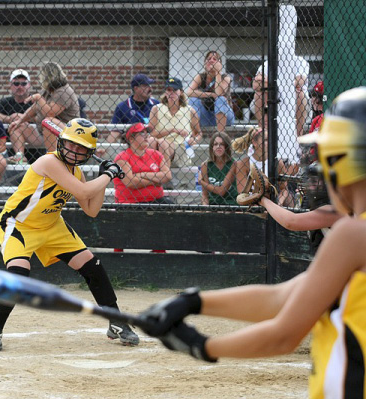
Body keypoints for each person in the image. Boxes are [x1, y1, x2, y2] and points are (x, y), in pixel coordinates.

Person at [139, 86, 366, 399]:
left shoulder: (353, 235)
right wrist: (194, 303)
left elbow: (284, 334)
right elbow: (282, 297)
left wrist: (202, 346)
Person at [0, 118, 139, 351]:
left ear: (89, 152)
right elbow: (84, 191)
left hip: (52, 225)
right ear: (61, 142)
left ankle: (116, 322)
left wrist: (103, 177)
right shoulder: (49, 161)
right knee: (18, 274)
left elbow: (91, 209)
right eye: (70, 144)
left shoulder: (77, 172)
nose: (73, 150)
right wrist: (109, 175)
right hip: (19, 224)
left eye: (80, 147)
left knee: (92, 267)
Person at [9, 62, 79, 152]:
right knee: (17, 127)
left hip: (67, 133)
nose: (40, 78)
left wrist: (38, 97)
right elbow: (34, 108)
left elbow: (50, 113)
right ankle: (20, 158)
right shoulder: (47, 90)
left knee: (49, 122)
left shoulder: (64, 91)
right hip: (43, 133)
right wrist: (19, 121)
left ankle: (52, 157)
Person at [233, 127, 297, 207]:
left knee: (288, 198)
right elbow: (242, 193)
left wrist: (278, 205)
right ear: (254, 142)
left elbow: (284, 189)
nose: (270, 142)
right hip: (252, 202)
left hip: (273, 201)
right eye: (266, 140)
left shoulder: (277, 162)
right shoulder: (243, 164)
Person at [149, 77, 202, 169]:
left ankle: (164, 175)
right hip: (158, 145)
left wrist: (194, 140)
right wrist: (172, 130)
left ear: (181, 92)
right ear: (165, 92)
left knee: (163, 143)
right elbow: (151, 133)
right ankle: (155, 171)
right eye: (169, 90)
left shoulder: (189, 111)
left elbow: (199, 133)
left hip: (180, 149)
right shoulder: (156, 109)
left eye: (175, 90)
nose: (171, 93)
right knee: (151, 140)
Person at [114, 122, 173, 204]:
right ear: (131, 139)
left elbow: (168, 176)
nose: (146, 136)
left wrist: (142, 175)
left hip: (156, 200)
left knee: (172, 207)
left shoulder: (155, 154)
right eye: (142, 133)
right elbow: (131, 183)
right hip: (131, 202)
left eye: (147, 133)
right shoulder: (122, 157)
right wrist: (157, 181)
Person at [252, 57, 310, 136]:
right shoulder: (268, 63)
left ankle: (298, 136)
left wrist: (270, 84)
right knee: (259, 94)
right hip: (273, 98)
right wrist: (287, 85)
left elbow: (300, 82)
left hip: (295, 99)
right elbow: (256, 85)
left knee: (300, 94)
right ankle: (263, 133)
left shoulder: (300, 61)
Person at [0, 69, 44, 165]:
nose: (20, 86)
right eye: (16, 83)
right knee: (15, 125)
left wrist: (23, 118)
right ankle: (20, 157)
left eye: (23, 84)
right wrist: (10, 118)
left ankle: (20, 157)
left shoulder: (35, 101)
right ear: (11, 85)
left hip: (37, 148)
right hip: (12, 149)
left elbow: (43, 118)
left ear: (29, 85)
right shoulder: (5, 102)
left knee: (17, 125)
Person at [187, 51, 235, 133]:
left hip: (225, 117)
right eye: (209, 59)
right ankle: (195, 134)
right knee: (193, 100)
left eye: (215, 59)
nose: (211, 60)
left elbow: (219, 93)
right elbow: (189, 92)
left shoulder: (225, 77)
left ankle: (220, 135)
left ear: (220, 63)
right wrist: (211, 94)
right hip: (206, 117)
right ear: (205, 63)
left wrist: (218, 72)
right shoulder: (201, 76)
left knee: (221, 99)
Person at [107, 73, 160, 144]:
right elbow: (116, 131)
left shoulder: (157, 104)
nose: (150, 89)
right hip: (131, 145)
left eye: (150, 86)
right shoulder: (123, 107)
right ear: (136, 88)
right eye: (145, 86)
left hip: (152, 144)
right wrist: (104, 147)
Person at [199, 132, 237, 206]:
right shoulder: (205, 165)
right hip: (213, 206)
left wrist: (202, 182)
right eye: (215, 144)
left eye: (222, 144)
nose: (218, 146)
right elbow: (205, 195)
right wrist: (206, 210)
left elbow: (221, 191)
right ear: (212, 147)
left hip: (231, 205)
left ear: (227, 146)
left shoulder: (234, 164)